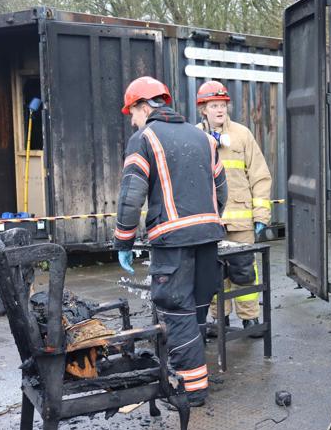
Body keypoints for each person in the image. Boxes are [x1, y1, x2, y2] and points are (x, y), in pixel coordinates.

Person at [113, 76, 227, 406]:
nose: (132, 120)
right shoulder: (204, 138)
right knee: (196, 311)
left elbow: (130, 197)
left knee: (177, 313)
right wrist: (207, 222)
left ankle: (191, 392)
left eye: (131, 112)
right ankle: (195, 378)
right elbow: (221, 191)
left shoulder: (144, 138)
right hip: (208, 239)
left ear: (142, 105)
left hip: (172, 242)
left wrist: (123, 240)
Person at [195, 81, 272, 334]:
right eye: (214, 105)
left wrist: (261, 214)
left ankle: (251, 320)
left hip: (240, 223)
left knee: (244, 271)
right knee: (216, 275)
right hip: (210, 223)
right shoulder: (195, 136)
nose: (220, 110)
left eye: (223, 105)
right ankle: (220, 320)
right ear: (203, 109)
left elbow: (260, 176)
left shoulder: (242, 135)